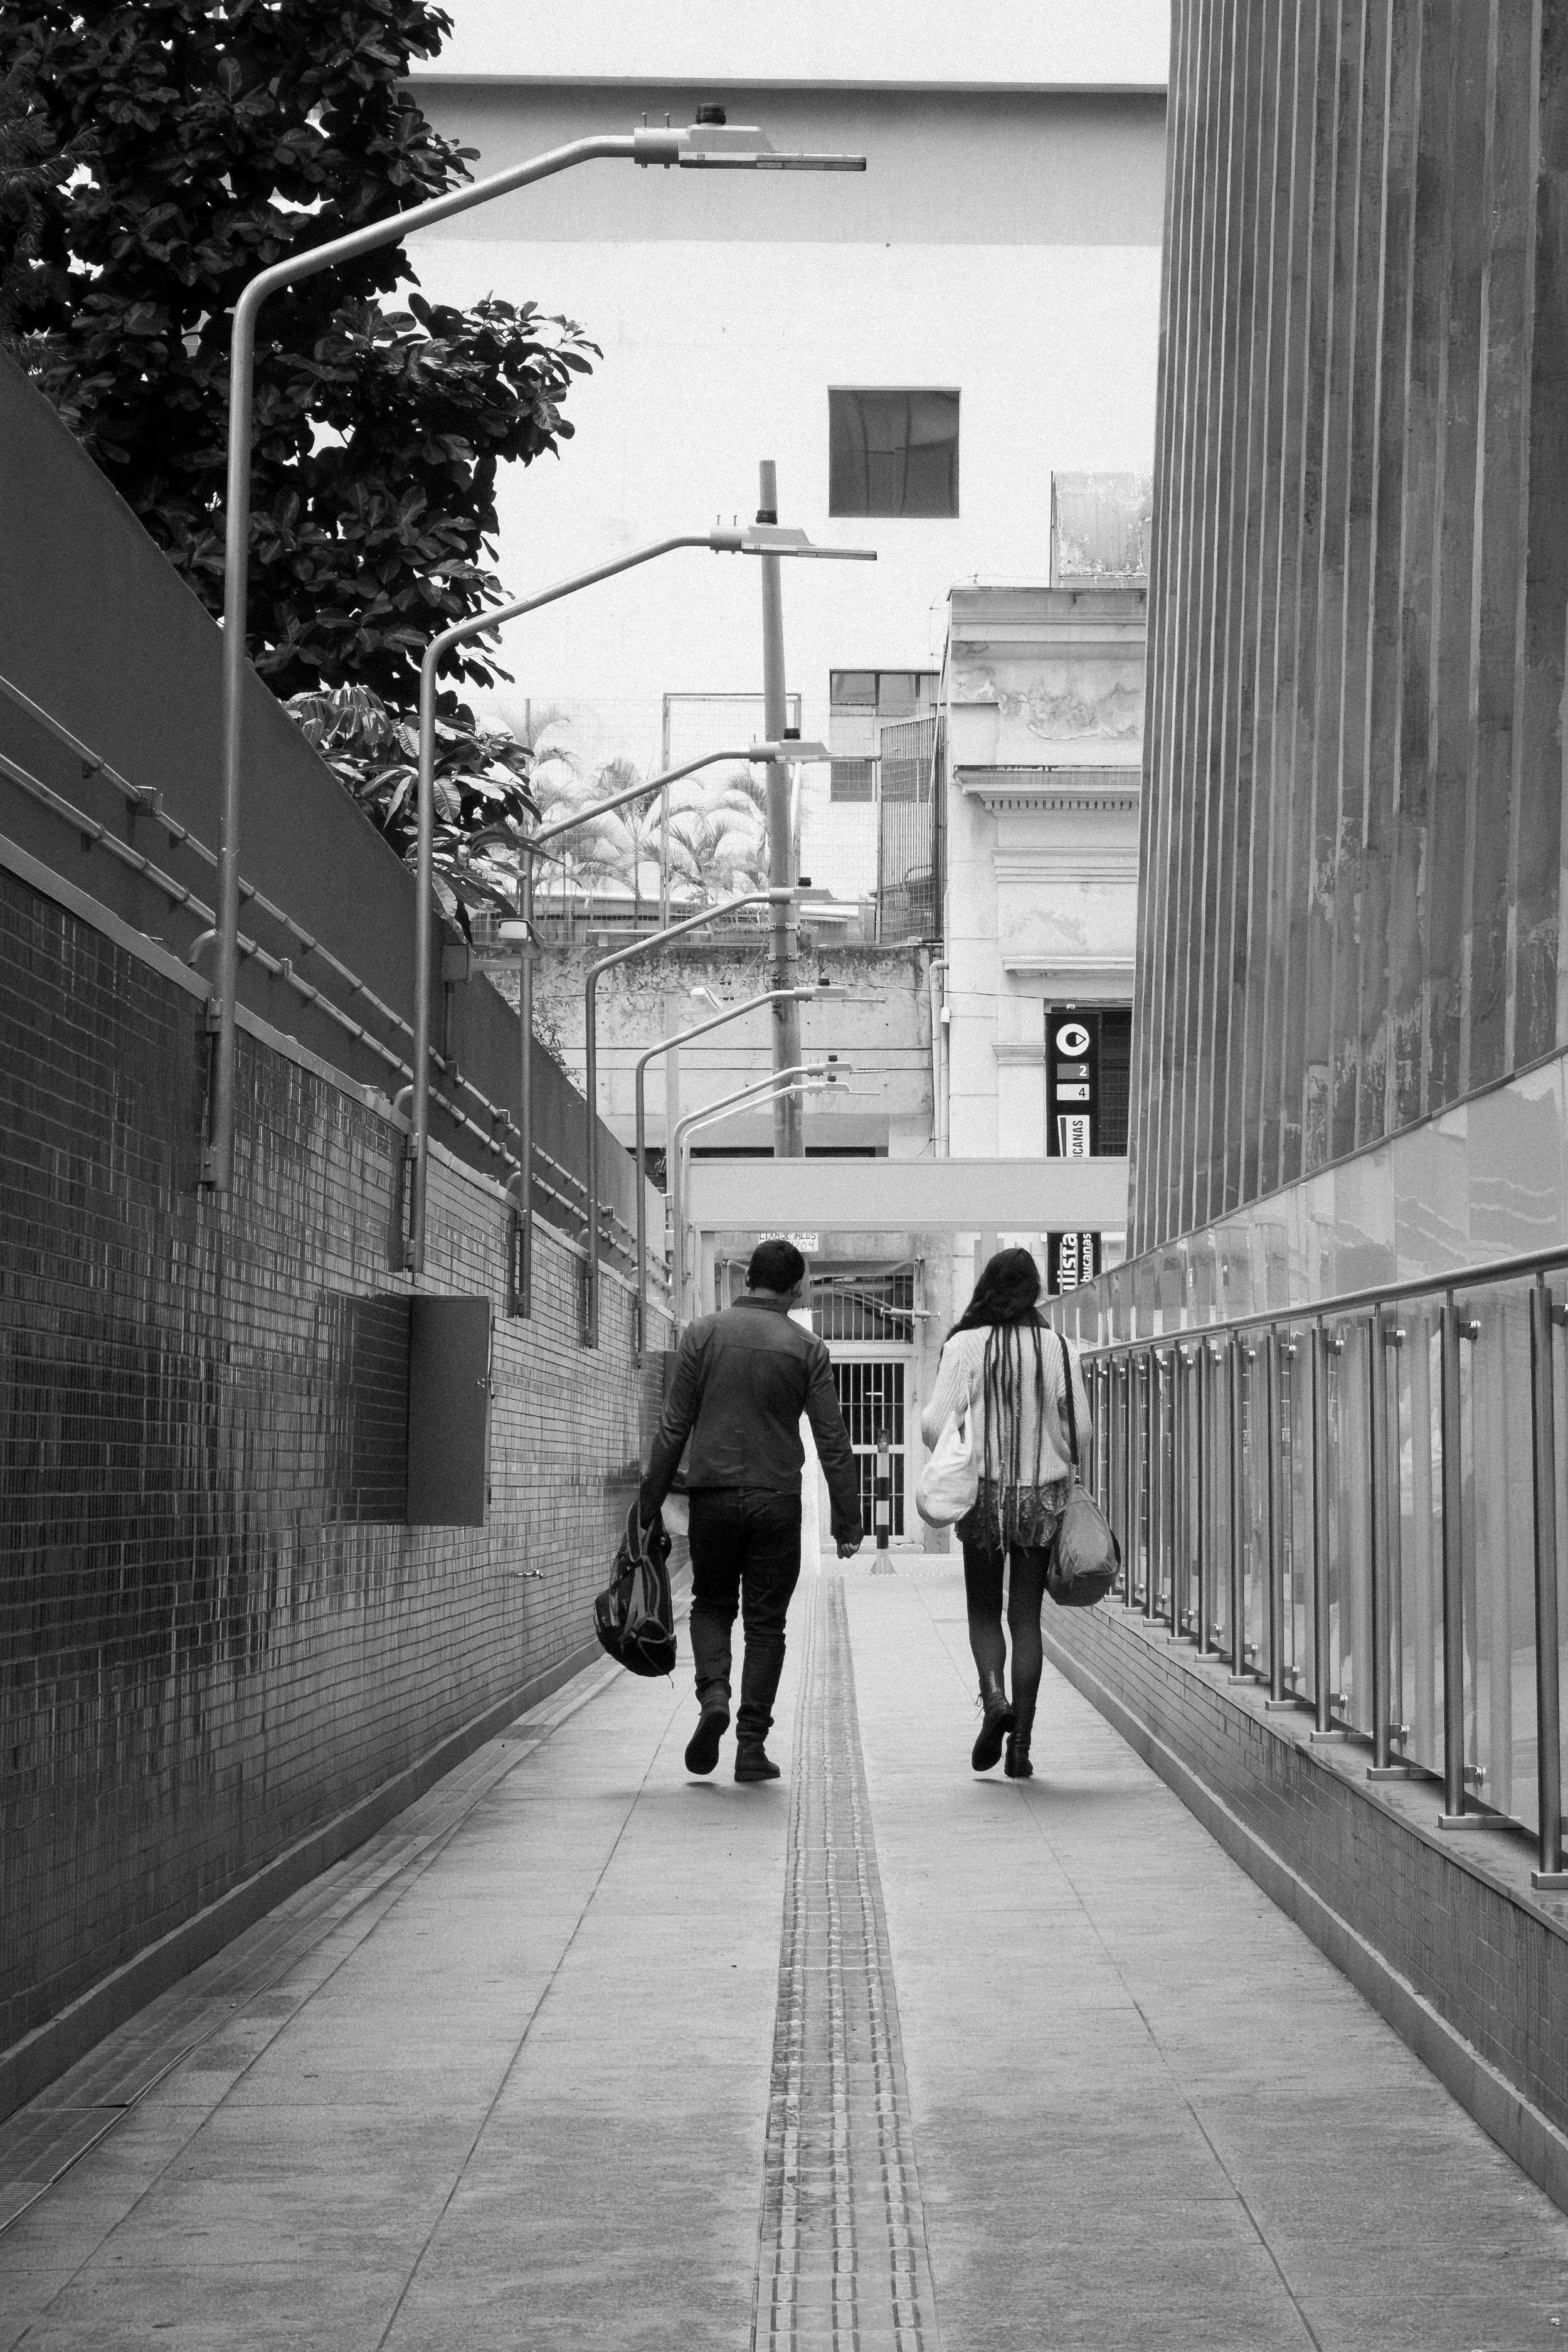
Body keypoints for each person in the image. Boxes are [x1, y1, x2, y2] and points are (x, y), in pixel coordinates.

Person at [640, 1238, 864, 1784]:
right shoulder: (807, 1348)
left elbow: (674, 1426)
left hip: (713, 1497)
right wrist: (848, 1519)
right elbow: (832, 1438)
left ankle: (714, 1693)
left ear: (748, 1281)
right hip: (777, 1501)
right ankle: (750, 1746)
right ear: (795, 1287)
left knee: (712, 1603)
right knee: (767, 1626)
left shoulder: (703, 1334)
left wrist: (649, 1505)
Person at [919, 1246, 1091, 1781]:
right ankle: (1021, 1748)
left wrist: (969, 1434)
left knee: (982, 1613)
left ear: (989, 1287)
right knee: (1026, 1618)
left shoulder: (968, 1345)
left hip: (986, 1497)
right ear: (1035, 1289)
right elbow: (1081, 1433)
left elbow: (932, 1426)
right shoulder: (1060, 1348)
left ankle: (994, 1700)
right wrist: (1048, 1447)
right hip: (1041, 1499)